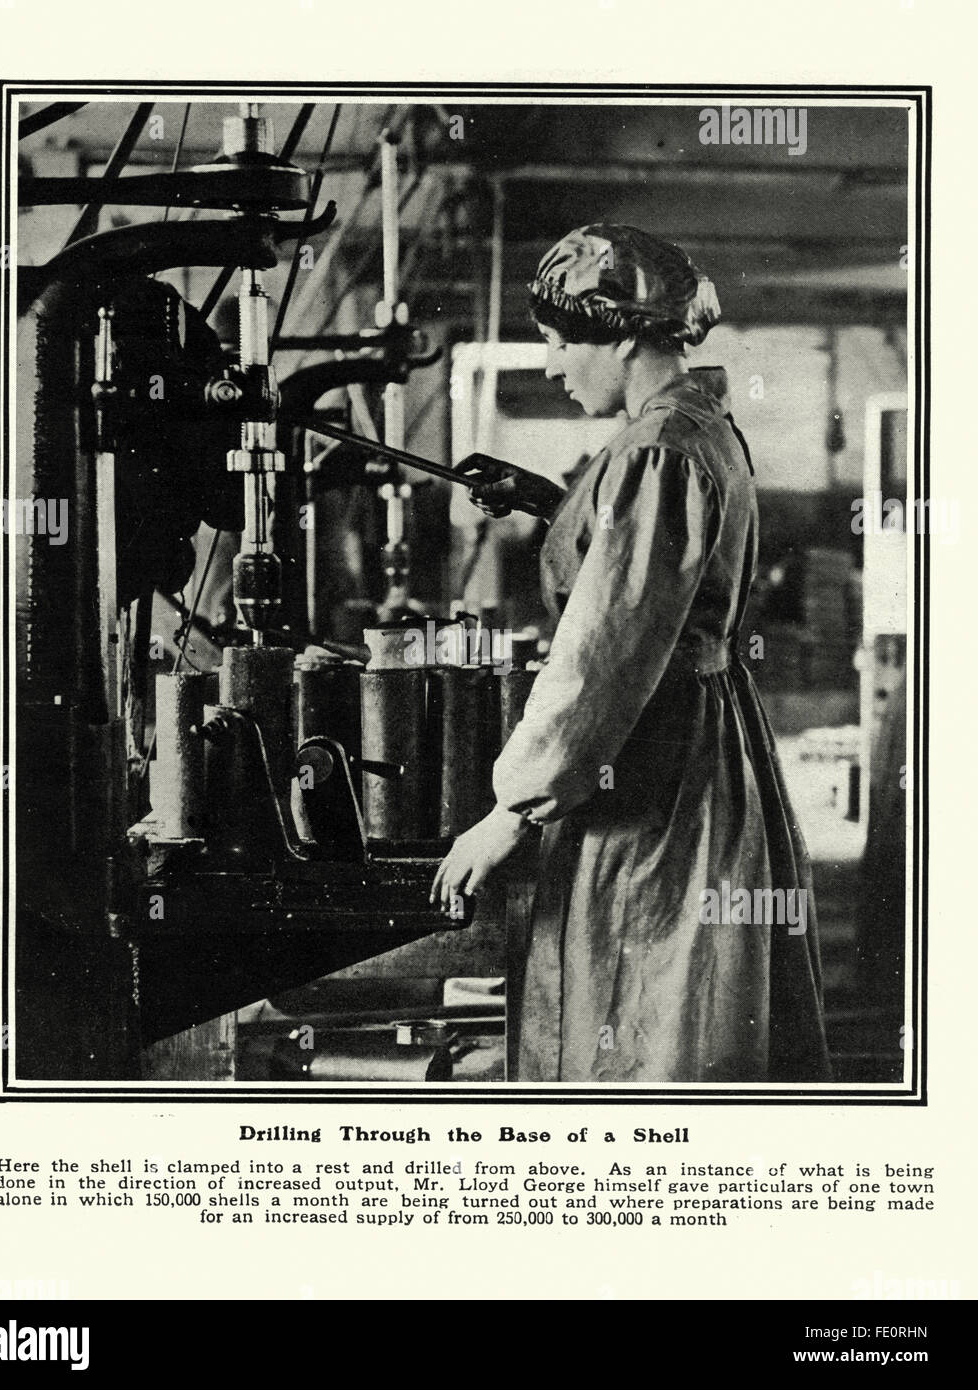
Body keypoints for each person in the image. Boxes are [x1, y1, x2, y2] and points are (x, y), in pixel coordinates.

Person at [430, 223, 830, 1083]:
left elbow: (604, 655)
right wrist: (553, 503)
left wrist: (512, 811)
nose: (549, 366)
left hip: (657, 766)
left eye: (557, 341)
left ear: (619, 333)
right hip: (697, 746)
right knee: (668, 1008)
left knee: (645, 1014)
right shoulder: (689, 427)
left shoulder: (656, 452)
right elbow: (646, 566)